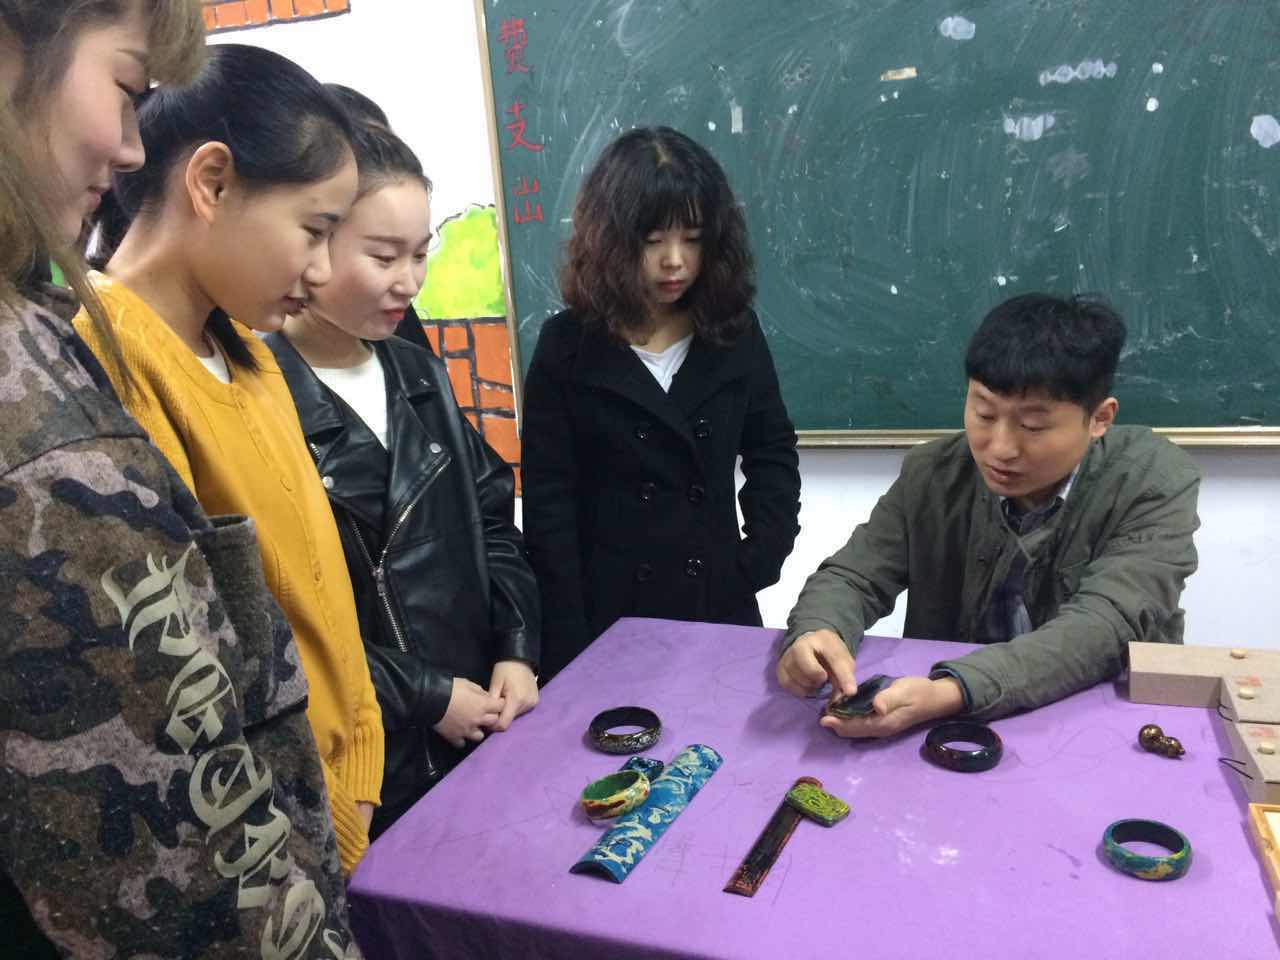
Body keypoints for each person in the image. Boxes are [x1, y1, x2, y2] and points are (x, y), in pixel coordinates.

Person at [0, 2, 362, 955]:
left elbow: (312, 599)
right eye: (126, 85)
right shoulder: (80, 384)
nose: (128, 148)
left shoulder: (252, 357)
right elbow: (183, 794)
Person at [73, 43, 383, 874]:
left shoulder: (251, 354)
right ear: (210, 183)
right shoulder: (113, 365)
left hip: (338, 808)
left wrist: (358, 768)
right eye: (314, 231)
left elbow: (322, 591)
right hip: (267, 835)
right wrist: (319, 813)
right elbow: (196, 668)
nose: (322, 271)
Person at [263, 99, 541, 837]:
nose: (410, 282)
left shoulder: (417, 372)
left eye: (421, 254)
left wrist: (516, 648)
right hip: (366, 763)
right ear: (314, 241)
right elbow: (280, 618)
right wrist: (423, 694)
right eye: (383, 257)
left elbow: (491, 518)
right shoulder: (261, 396)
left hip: (476, 724)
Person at [778, 293, 1201, 736]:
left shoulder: (1154, 481)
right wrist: (819, 631)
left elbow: (1105, 625)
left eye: (1032, 426)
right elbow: (853, 577)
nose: (999, 448)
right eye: (984, 413)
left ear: (1099, 418)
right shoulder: (934, 473)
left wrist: (952, 692)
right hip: (951, 720)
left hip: (1099, 722)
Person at [521, 126, 802, 682]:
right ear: (611, 239)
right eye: (653, 241)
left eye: (693, 239)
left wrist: (760, 555)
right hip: (608, 617)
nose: (675, 261)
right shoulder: (567, 346)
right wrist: (566, 641)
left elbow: (772, 450)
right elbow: (549, 504)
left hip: (716, 603)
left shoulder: (732, 332)